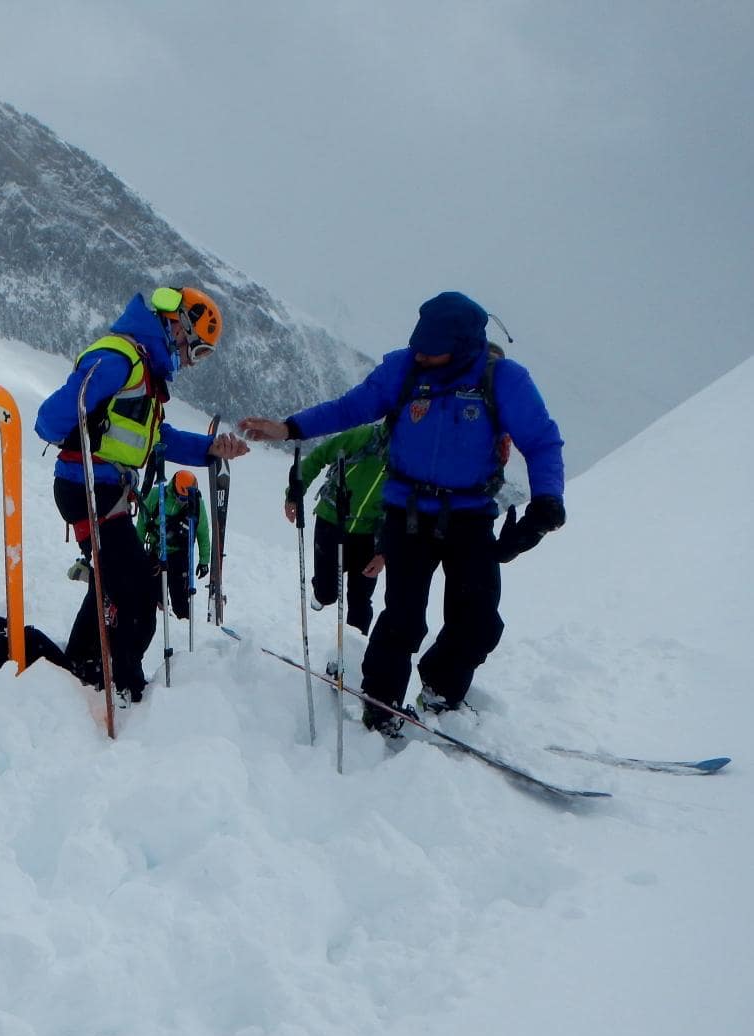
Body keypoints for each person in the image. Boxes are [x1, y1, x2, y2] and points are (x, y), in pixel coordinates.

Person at [239, 291, 565, 735]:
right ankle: (381, 703)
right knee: (403, 617)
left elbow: (542, 440)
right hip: (407, 513)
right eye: (419, 347)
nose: (423, 356)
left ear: (464, 345)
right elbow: (351, 407)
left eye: (433, 351)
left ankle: (440, 691)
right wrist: (289, 428)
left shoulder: (503, 379)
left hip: (470, 515)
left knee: (479, 621)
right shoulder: (405, 367)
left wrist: (546, 505)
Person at [35, 286, 249, 701]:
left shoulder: (144, 372)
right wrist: (85, 438)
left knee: (116, 580)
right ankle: (119, 681)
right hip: (88, 488)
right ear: (178, 324)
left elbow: (157, 439)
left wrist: (209, 449)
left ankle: (84, 662)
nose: (192, 360)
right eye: (198, 349)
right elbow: (50, 419)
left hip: (104, 490)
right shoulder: (121, 360)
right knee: (137, 590)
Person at [285, 422, 389, 636]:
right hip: (332, 519)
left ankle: (351, 654)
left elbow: (405, 508)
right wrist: (294, 493)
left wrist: (384, 552)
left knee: (360, 599)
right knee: (327, 592)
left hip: (370, 532)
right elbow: (319, 456)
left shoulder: (413, 457)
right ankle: (322, 594)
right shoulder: (364, 437)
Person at [137, 469, 211, 621]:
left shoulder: (197, 505)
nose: (183, 501)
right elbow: (142, 522)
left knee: (180, 598)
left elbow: (202, 532)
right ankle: (159, 617)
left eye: (186, 499)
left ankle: (183, 622)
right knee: (153, 594)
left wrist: (204, 560)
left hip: (179, 553)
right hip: (156, 550)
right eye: (181, 498)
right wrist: (137, 549)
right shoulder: (157, 495)